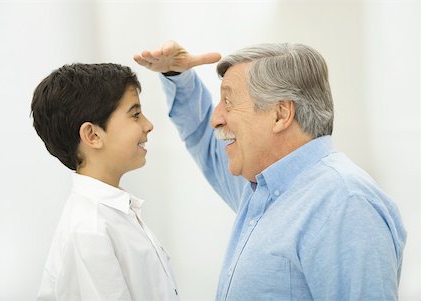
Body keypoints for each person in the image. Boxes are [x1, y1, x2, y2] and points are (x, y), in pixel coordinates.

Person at [134, 41, 407, 300]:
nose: (217, 118)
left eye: (228, 102)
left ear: (280, 114)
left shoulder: (345, 203)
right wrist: (177, 76)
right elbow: (205, 139)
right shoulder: (260, 187)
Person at [31, 63, 179, 301]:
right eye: (135, 114)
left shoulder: (113, 214)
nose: (148, 125)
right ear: (92, 135)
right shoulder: (90, 230)